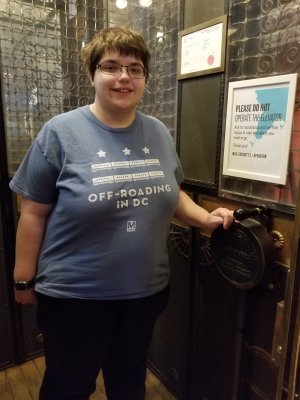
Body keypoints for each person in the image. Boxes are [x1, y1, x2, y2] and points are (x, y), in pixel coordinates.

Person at [10, 26, 234, 400]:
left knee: (129, 382)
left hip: (144, 294)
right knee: (68, 386)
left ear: (144, 77)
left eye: (134, 68)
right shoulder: (60, 133)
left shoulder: (158, 132)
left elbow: (170, 194)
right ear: (92, 75)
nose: (124, 77)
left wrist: (206, 219)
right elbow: (32, 213)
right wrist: (23, 280)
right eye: (111, 66)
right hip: (74, 298)